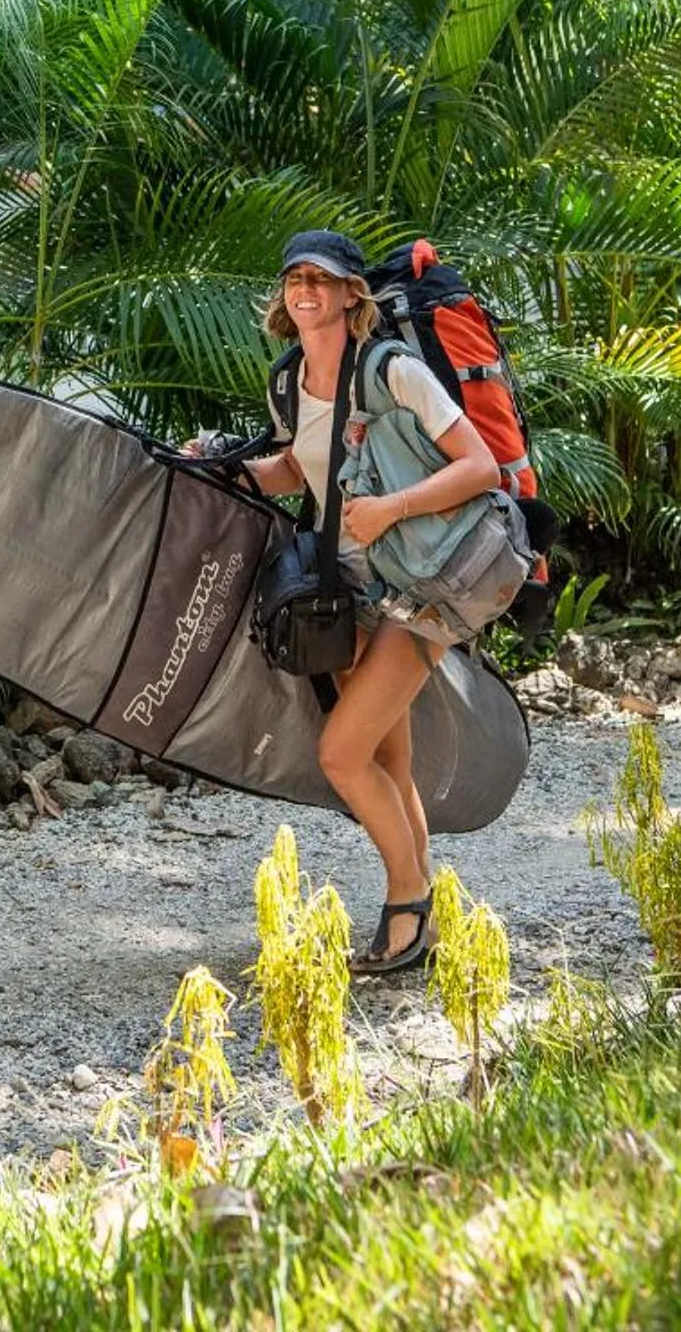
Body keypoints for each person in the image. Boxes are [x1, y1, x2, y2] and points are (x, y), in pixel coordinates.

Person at [232, 230, 505, 974]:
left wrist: (393, 508)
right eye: (295, 278)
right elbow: (300, 467)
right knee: (388, 756)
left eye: (322, 279)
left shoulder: (395, 369)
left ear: (353, 292)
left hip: (421, 585)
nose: (306, 290)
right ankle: (427, 916)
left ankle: (406, 908)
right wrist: (227, 469)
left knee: (341, 755)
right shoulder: (289, 381)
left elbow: (480, 468)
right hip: (348, 586)